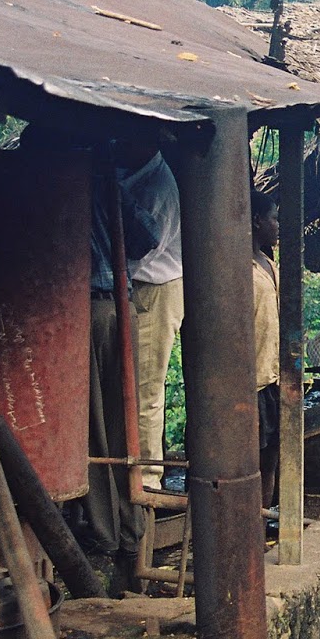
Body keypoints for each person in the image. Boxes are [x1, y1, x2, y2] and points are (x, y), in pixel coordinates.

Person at [83, 146, 162, 597]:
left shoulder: (56, 180)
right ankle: (128, 531)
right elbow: (147, 235)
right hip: (119, 303)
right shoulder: (103, 178)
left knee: (94, 427)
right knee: (121, 421)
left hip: (86, 307)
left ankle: (105, 532)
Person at [120, 143, 185, 493]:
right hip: (144, 287)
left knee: (146, 389)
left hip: (154, 289)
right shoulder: (136, 176)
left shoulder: (156, 185)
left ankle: (147, 481)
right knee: (134, 388)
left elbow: (142, 250)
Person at [251, 190, 281, 517]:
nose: (277, 224)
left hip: (272, 377)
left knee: (270, 457)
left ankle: (258, 528)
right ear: (257, 220)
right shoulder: (240, 269)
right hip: (253, 381)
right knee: (252, 459)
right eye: (273, 217)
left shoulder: (269, 266)